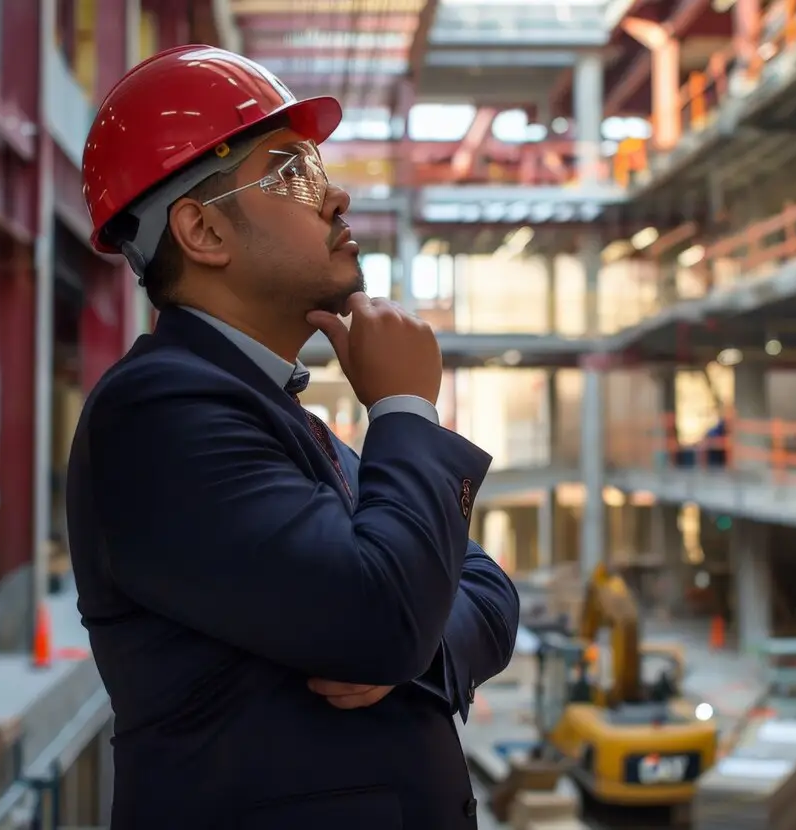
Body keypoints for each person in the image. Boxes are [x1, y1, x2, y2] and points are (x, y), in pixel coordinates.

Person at [66, 45, 518, 829]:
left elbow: (487, 588)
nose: (336, 196)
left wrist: (415, 649)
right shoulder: (160, 414)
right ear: (203, 230)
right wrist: (405, 407)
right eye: (293, 173)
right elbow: (385, 615)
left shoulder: (286, 422)